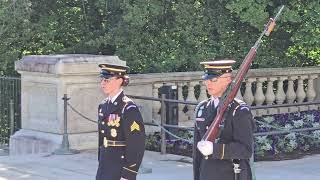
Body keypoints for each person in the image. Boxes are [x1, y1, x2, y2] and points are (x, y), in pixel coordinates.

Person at [193, 60, 255, 180]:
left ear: (227, 79)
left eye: (213, 79)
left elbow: (246, 150)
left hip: (231, 174)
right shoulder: (202, 108)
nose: (208, 83)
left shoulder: (239, 110)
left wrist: (214, 149)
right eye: (206, 79)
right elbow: (197, 157)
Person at [96, 63, 146, 180]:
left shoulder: (128, 108)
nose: (102, 83)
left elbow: (136, 143)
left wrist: (129, 173)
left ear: (119, 81)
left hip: (120, 166)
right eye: (102, 79)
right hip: (105, 164)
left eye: (107, 80)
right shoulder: (103, 106)